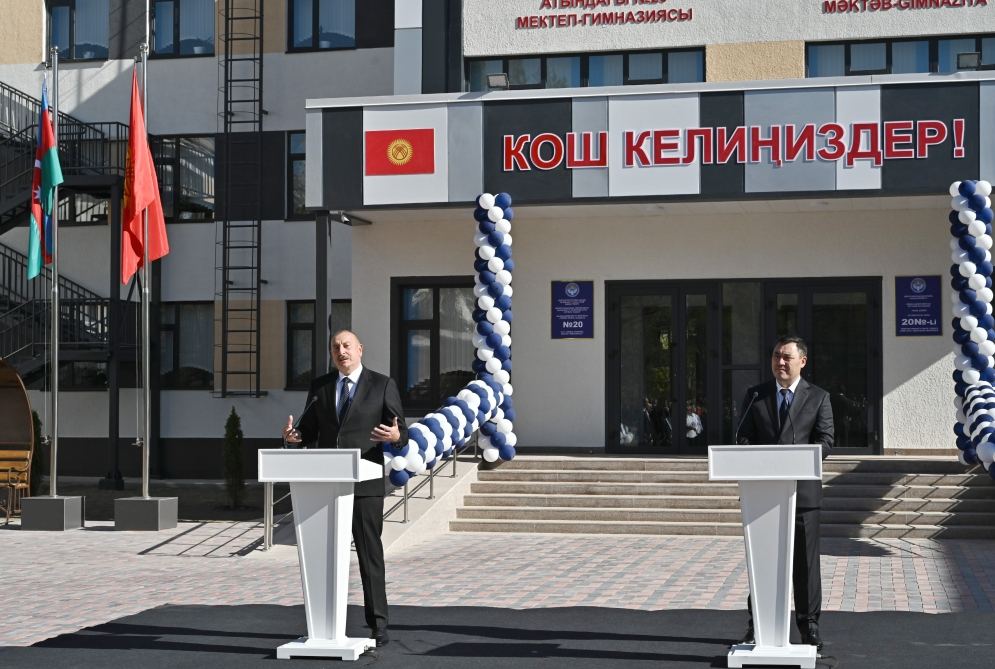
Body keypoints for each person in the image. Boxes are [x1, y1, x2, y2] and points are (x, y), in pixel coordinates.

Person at [283, 329, 407, 647]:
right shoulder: (321, 387)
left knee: (369, 554)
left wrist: (395, 438)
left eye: (347, 345)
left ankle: (378, 624)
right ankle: (324, 624)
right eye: (336, 347)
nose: (341, 351)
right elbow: (308, 430)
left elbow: (400, 431)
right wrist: (294, 438)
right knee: (325, 555)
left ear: (360, 349)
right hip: (326, 486)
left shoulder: (382, 385)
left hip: (364, 484)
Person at [736, 335, 834, 653]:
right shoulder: (755, 396)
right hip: (763, 496)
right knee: (764, 560)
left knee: (805, 565)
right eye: (776, 355)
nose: (780, 361)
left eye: (787, 357)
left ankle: (809, 626)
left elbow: (826, 440)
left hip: (803, 495)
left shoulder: (818, 397)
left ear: (802, 361)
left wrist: (798, 458)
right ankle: (758, 626)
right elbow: (743, 437)